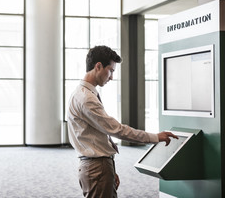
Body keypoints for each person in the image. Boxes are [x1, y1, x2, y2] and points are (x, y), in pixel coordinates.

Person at [67, 45, 178, 198]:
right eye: (111, 70)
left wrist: (109, 170)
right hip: (96, 168)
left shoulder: (81, 93)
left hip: (97, 166)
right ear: (98, 66)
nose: (112, 77)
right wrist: (155, 137)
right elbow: (117, 130)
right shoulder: (87, 99)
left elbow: (96, 136)